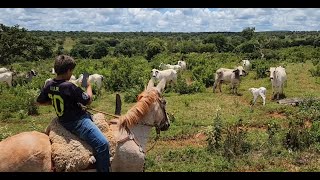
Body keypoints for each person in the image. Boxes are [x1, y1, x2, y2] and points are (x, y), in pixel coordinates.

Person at [36, 55, 110, 172]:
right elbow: (88, 100)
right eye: (72, 71)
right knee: (103, 144)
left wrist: (58, 100)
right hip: (78, 122)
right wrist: (88, 86)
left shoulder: (49, 84)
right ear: (69, 70)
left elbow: (39, 102)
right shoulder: (69, 86)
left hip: (62, 120)